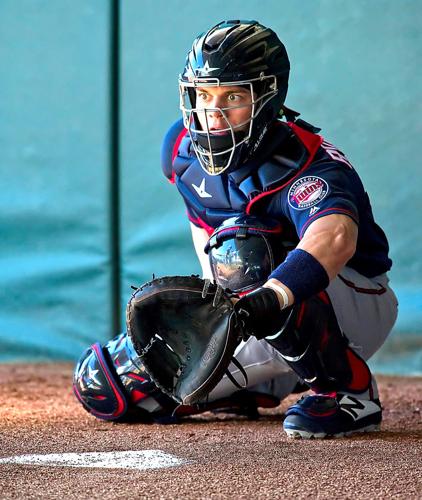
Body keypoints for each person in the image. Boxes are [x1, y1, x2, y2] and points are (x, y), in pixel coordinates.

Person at [73, 19, 397, 439]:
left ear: (267, 98)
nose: (213, 110)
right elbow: (210, 238)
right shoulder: (181, 151)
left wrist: (268, 297)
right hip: (255, 305)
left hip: (352, 301)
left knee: (247, 252)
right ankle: (255, 386)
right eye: (203, 95)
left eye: (233, 96)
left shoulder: (307, 165)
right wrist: (213, 321)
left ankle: (348, 392)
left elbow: (334, 238)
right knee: (109, 385)